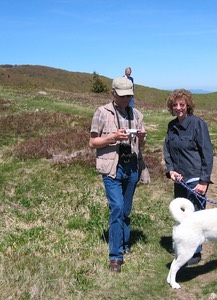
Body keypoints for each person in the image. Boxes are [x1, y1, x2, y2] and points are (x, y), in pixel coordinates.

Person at [89, 76, 147, 272]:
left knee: (126, 210)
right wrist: (113, 137)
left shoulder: (137, 114)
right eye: (122, 96)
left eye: (128, 96)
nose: (125, 100)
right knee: (117, 208)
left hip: (131, 168)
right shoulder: (101, 113)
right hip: (112, 167)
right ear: (113, 94)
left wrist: (141, 137)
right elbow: (92, 142)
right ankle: (115, 257)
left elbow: (142, 145)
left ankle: (124, 244)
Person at [163, 88, 214, 265]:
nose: (178, 108)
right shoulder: (171, 126)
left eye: (182, 104)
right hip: (179, 179)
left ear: (188, 106)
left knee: (196, 217)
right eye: (175, 105)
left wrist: (204, 181)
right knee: (182, 216)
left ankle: (196, 253)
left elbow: (207, 153)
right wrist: (170, 170)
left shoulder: (198, 124)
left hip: (195, 178)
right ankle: (184, 248)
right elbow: (167, 150)